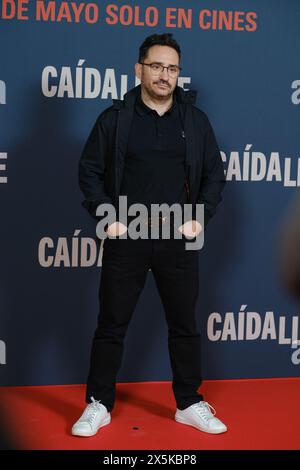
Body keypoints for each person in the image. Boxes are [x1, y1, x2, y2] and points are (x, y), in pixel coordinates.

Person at [72, 33, 227, 437]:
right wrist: (107, 216)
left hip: (179, 236)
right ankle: (99, 403)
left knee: (185, 324)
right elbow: (89, 171)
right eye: (156, 66)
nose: (164, 75)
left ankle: (189, 402)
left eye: (172, 68)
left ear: (179, 74)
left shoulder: (194, 121)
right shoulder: (116, 119)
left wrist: (201, 216)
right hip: (127, 236)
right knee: (111, 324)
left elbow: (214, 173)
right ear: (139, 69)